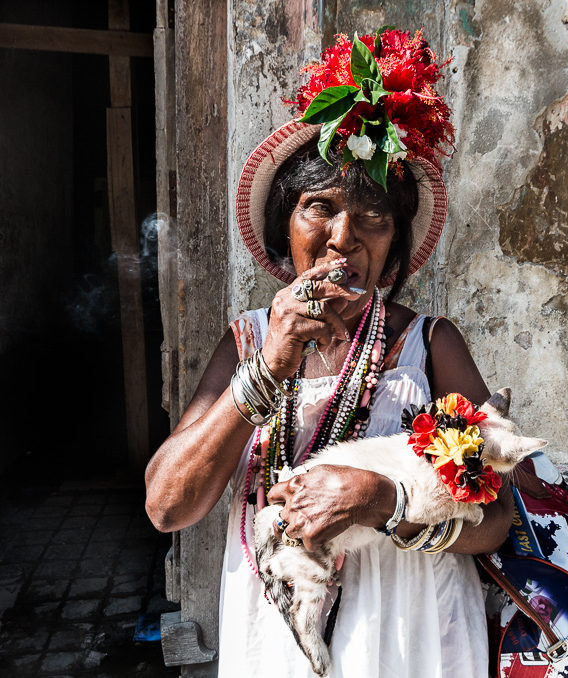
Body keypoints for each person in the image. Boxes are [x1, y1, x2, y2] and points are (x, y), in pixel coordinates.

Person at [145, 28, 514, 677]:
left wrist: (384, 501)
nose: (343, 238)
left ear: (394, 247)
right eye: (319, 207)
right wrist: (270, 366)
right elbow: (169, 506)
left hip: (409, 636)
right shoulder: (248, 342)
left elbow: (496, 517)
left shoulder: (426, 348)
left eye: (373, 217)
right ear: (284, 227)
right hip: (279, 637)